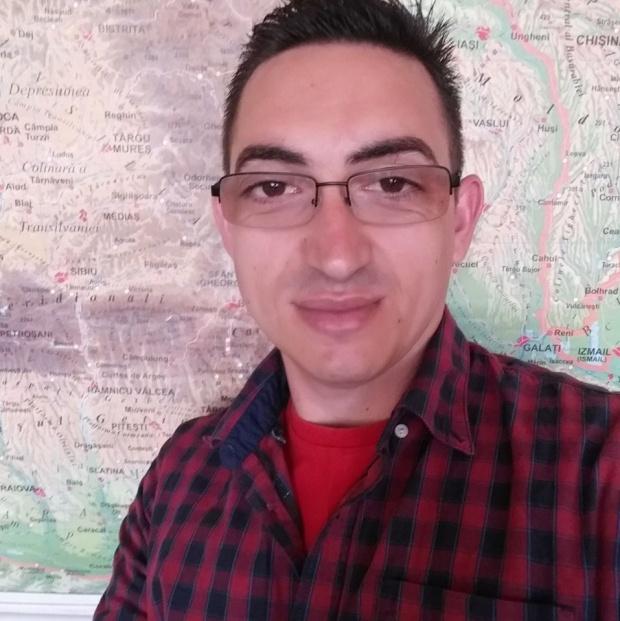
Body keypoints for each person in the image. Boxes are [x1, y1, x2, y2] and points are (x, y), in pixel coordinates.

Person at [95, 0, 620, 619]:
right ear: (228, 227)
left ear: (460, 220)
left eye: (392, 183)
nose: (337, 257)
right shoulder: (177, 481)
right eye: (273, 187)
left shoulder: (600, 474)